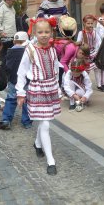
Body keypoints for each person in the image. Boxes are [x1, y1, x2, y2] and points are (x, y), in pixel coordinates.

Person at [16, 18, 61, 176]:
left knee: (44, 121)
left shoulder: (52, 49)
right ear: (34, 33)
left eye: (46, 32)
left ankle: (37, 143)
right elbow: (21, 72)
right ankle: (51, 161)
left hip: (51, 88)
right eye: (40, 32)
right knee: (45, 124)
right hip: (37, 89)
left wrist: (58, 88)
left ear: (51, 32)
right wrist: (20, 92)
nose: (43, 35)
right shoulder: (30, 50)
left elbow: (56, 68)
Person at [0, 31, 32, 130]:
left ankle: (6, 119)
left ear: (14, 41)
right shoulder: (28, 52)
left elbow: (5, 66)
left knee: (10, 99)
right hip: (25, 81)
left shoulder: (9, 51)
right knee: (27, 101)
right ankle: (26, 122)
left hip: (12, 80)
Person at [77, 15, 104, 91]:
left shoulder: (94, 32)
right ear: (84, 23)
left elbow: (98, 41)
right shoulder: (81, 33)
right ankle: (83, 84)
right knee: (87, 70)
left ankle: (99, 85)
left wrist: (97, 51)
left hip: (93, 53)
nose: (90, 25)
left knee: (97, 68)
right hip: (85, 54)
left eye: (91, 23)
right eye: (88, 23)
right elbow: (78, 43)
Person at [0, 0, 17, 67]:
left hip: (12, 34)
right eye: (13, 1)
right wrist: (0, 31)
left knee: (10, 54)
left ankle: (8, 69)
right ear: (7, 0)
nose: (13, 3)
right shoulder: (0, 7)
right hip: (4, 36)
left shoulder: (11, 7)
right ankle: (3, 71)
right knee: (3, 55)